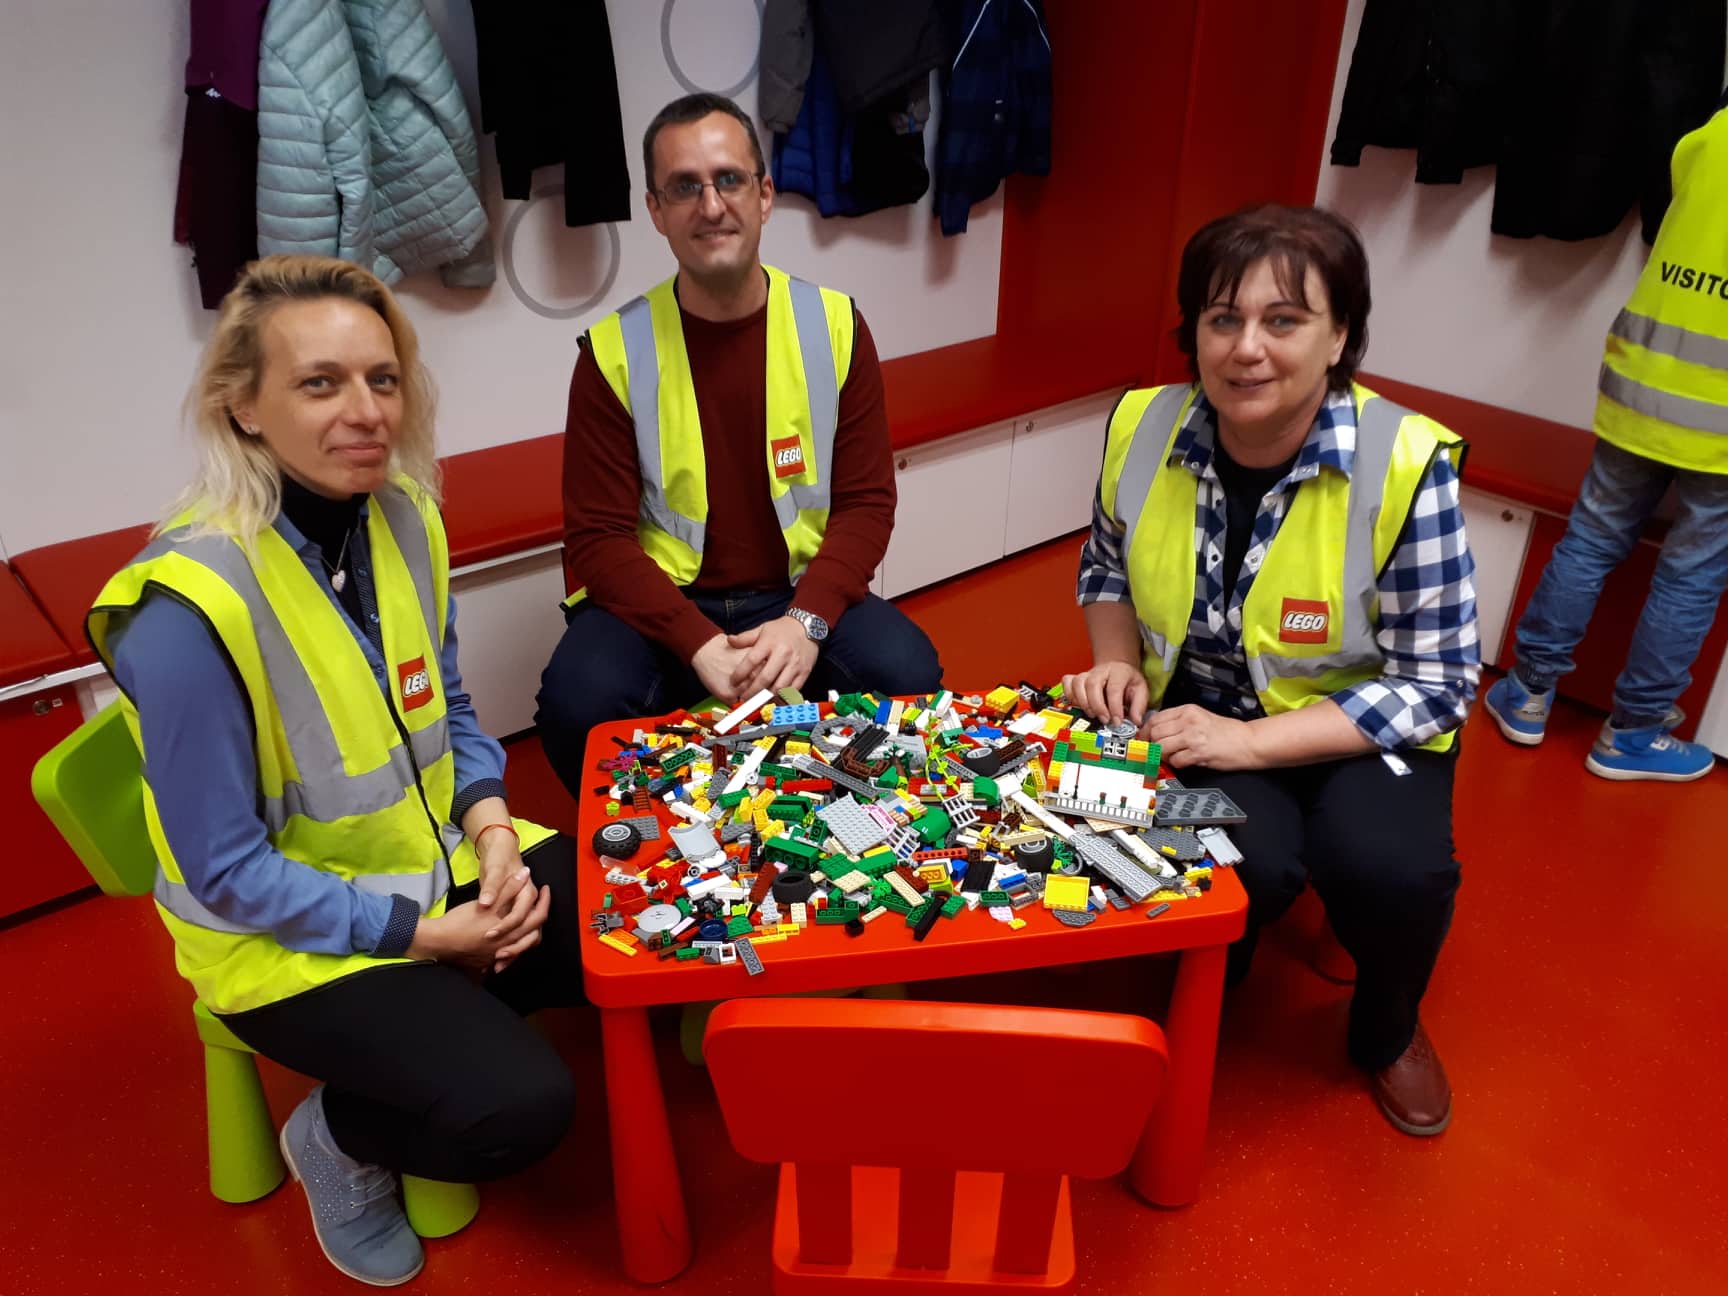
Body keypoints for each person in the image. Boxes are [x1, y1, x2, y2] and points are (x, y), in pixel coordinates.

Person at [88, 256, 582, 1286]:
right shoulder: (184, 614)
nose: (366, 412)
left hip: (434, 862)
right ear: (244, 405)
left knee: (640, 914)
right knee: (521, 1109)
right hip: (279, 939)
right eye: (320, 383)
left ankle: (453, 1018)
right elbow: (226, 872)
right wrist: (425, 937)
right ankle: (338, 1139)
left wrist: (495, 832)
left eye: (382, 378)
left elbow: (449, 709)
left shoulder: (403, 515)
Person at [1063, 205, 1480, 1137]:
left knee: (1389, 871)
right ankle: (1218, 963)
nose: (1246, 348)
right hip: (1202, 711)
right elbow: (1106, 566)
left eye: (1283, 320)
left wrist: (1252, 743)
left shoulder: (1404, 460)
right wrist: (1116, 662)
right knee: (1237, 862)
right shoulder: (1143, 424)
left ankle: (1387, 1028)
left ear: (1339, 337)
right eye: (1223, 319)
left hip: (1359, 727)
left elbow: (1439, 683)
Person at [534, 93, 942, 797]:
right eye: (684, 187)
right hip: (663, 602)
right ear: (656, 210)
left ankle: (846, 822)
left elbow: (867, 504)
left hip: (795, 591)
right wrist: (695, 641)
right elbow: (597, 540)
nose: (711, 205)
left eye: (728, 179)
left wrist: (805, 622)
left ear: (764, 195)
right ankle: (647, 838)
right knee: (577, 705)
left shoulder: (835, 325)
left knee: (909, 677)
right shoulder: (612, 351)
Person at [1483, 96, 1728, 782]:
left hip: (1644, 381)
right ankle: (1633, 735)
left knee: (1591, 540)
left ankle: (1526, 694)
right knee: (1691, 576)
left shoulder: (1712, 133)